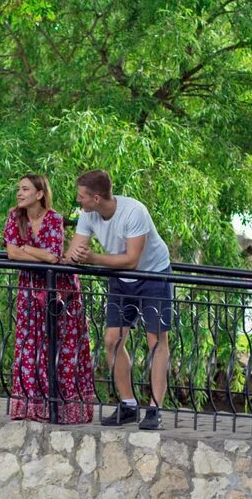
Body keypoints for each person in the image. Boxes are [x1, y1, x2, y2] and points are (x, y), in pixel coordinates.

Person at [64, 169, 173, 430]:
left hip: (152, 275)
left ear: (97, 197)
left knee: (155, 341)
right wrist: (59, 259)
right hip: (119, 278)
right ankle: (128, 405)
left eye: (82, 196)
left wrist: (93, 258)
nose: (78, 200)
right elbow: (73, 252)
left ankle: (155, 408)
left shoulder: (134, 212)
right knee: (112, 339)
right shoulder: (88, 214)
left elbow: (132, 261)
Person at [2, 173, 95, 423]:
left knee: (61, 346)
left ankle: (64, 408)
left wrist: (27, 249)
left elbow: (54, 256)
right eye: (19, 189)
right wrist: (36, 255)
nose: (19, 194)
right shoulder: (15, 216)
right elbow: (11, 252)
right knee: (30, 344)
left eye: (25, 189)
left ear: (39, 194)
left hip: (59, 290)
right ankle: (33, 407)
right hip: (30, 288)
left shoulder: (53, 218)